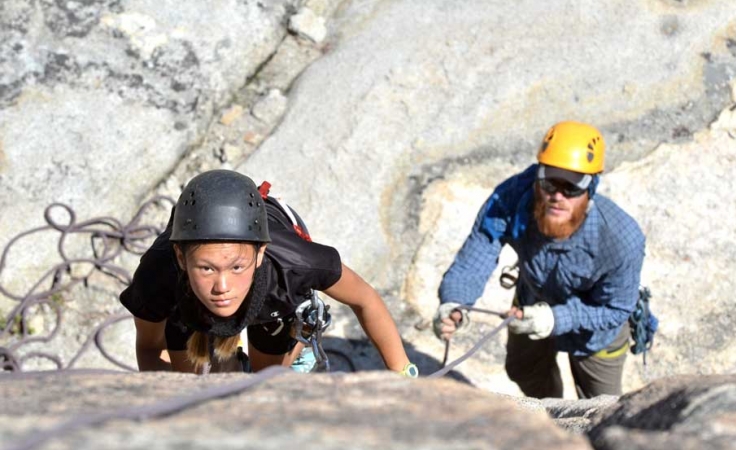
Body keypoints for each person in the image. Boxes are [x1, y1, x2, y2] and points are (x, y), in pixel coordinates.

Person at [120, 169, 417, 376]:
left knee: (265, 380)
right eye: (207, 268)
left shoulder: (293, 264)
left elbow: (364, 299)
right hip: (187, 305)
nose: (222, 286)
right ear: (181, 259)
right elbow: (148, 349)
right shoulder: (158, 275)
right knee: (201, 388)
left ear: (261, 253)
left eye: (237, 267)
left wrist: (403, 372)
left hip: (271, 296)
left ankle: (297, 342)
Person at [433, 121, 645, 398]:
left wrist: (556, 318)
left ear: (590, 188)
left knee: (599, 405)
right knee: (524, 370)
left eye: (571, 187)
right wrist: (455, 302)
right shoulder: (511, 198)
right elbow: (481, 248)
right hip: (531, 300)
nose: (557, 196)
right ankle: (549, 424)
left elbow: (616, 309)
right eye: (549, 182)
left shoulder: (619, 237)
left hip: (596, 330)